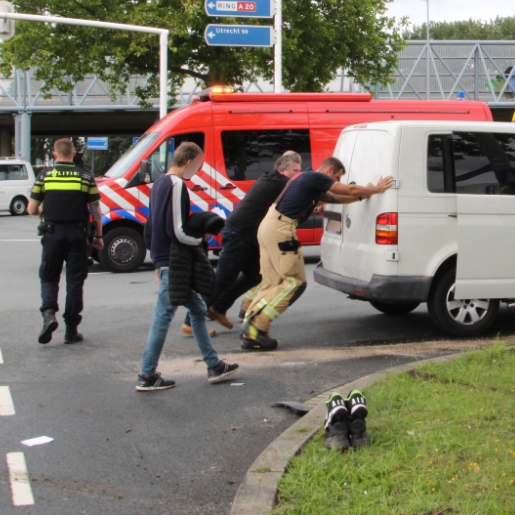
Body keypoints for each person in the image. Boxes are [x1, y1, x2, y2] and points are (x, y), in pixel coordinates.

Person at [241, 157, 394, 350]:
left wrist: (366, 193)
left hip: (268, 226)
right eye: (337, 177)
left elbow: (338, 198)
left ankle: (250, 331)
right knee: (294, 283)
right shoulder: (315, 177)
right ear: (330, 170)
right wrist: (376, 189)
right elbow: (349, 190)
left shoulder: (305, 179)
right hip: (281, 229)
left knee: (272, 282)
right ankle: (257, 326)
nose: (336, 181)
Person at [137, 142, 238, 391]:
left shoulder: (158, 184)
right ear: (188, 161)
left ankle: (213, 364)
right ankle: (147, 374)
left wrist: (155, 260)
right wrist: (200, 240)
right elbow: (177, 229)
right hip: (174, 260)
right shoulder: (176, 184)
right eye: (198, 165)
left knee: (196, 307)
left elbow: (150, 227)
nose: (198, 169)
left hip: (164, 260)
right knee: (163, 317)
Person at [190, 151, 303, 332]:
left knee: (255, 274)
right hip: (239, 234)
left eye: (300, 170)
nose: (298, 174)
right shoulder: (280, 183)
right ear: (282, 170)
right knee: (223, 278)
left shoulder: (273, 179)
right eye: (295, 170)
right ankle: (190, 322)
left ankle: (218, 308)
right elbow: (304, 191)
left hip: (247, 236)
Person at [28, 137, 103, 345]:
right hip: (78, 235)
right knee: (75, 281)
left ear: (54, 154)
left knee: (49, 277)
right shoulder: (85, 176)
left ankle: (49, 314)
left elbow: (31, 209)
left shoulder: (44, 176)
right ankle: (71, 330)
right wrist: (98, 236)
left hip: (52, 234)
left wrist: (45, 213)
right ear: (74, 153)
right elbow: (96, 212)